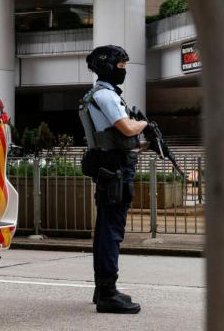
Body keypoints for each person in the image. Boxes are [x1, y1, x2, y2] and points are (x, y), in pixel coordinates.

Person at [79, 45, 148, 314]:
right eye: (121, 67)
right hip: (115, 169)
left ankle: (102, 289)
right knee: (111, 231)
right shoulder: (106, 95)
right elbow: (127, 127)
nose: (124, 71)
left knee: (105, 229)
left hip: (110, 165)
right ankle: (108, 293)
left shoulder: (95, 95)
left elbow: (118, 138)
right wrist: (143, 123)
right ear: (107, 66)